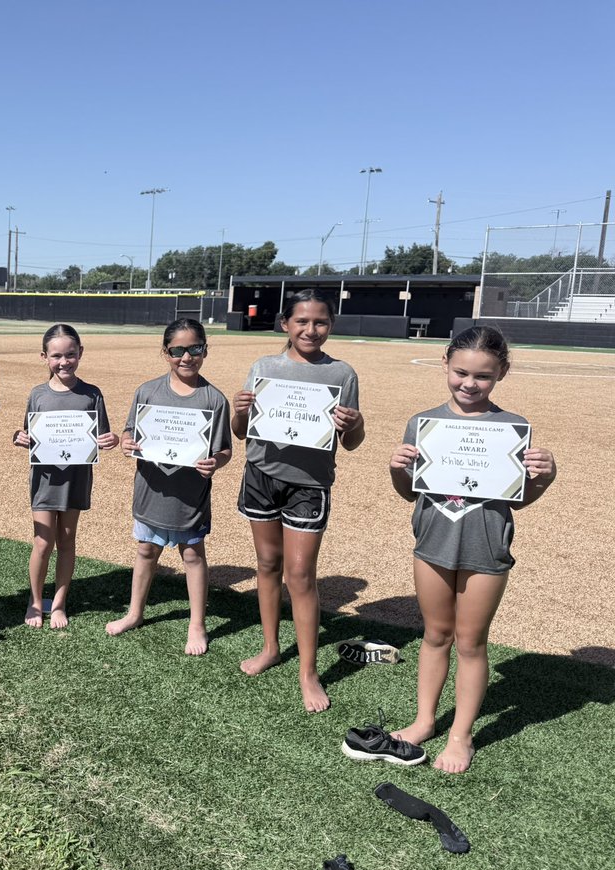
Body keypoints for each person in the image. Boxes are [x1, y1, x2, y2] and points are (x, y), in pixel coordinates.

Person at [389, 325, 556, 772]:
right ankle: (425, 720)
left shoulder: (511, 427)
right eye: (461, 372)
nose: (469, 383)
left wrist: (544, 477)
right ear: (445, 363)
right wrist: (399, 469)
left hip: (486, 550)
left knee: (471, 643)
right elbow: (409, 493)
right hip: (432, 543)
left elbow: (517, 499)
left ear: (501, 372)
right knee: (435, 635)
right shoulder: (423, 422)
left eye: (482, 376)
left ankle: (461, 735)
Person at [231, 289, 365, 713]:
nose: (311, 329)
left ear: (331, 326)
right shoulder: (264, 367)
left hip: (309, 484)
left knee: (301, 575)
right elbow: (241, 432)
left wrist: (355, 423)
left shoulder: (342, 374)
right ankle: (271, 646)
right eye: (302, 321)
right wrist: (239, 411)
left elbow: (351, 443)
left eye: (320, 322)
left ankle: (308, 672)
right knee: (268, 566)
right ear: (285, 324)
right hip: (261, 475)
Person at [107, 318, 232, 655]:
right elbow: (131, 430)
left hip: (189, 496)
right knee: (146, 550)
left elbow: (225, 449)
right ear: (165, 352)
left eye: (195, 348)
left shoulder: (214, 399)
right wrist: (128, 442)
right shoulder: (147, 391)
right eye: (178, 350)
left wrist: (215, 462)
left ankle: (197, 624)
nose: (186, 357)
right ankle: (134, 613)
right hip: (152, 490)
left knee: (192, 555)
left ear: (206, 349)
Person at [13, 324, 118, 628]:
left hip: (76, 479)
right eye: (56, 356)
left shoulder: (92, 394)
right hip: (45, 480)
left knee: (67, 542)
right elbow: (29, 435)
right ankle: (34, 602)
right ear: (44, 356)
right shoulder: (38, 394)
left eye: (70, 355)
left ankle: (58, 603)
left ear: (80, 353)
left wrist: (108, 441)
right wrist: (20, 437)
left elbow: (101, 436)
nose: (64, 361)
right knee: (43, 543)